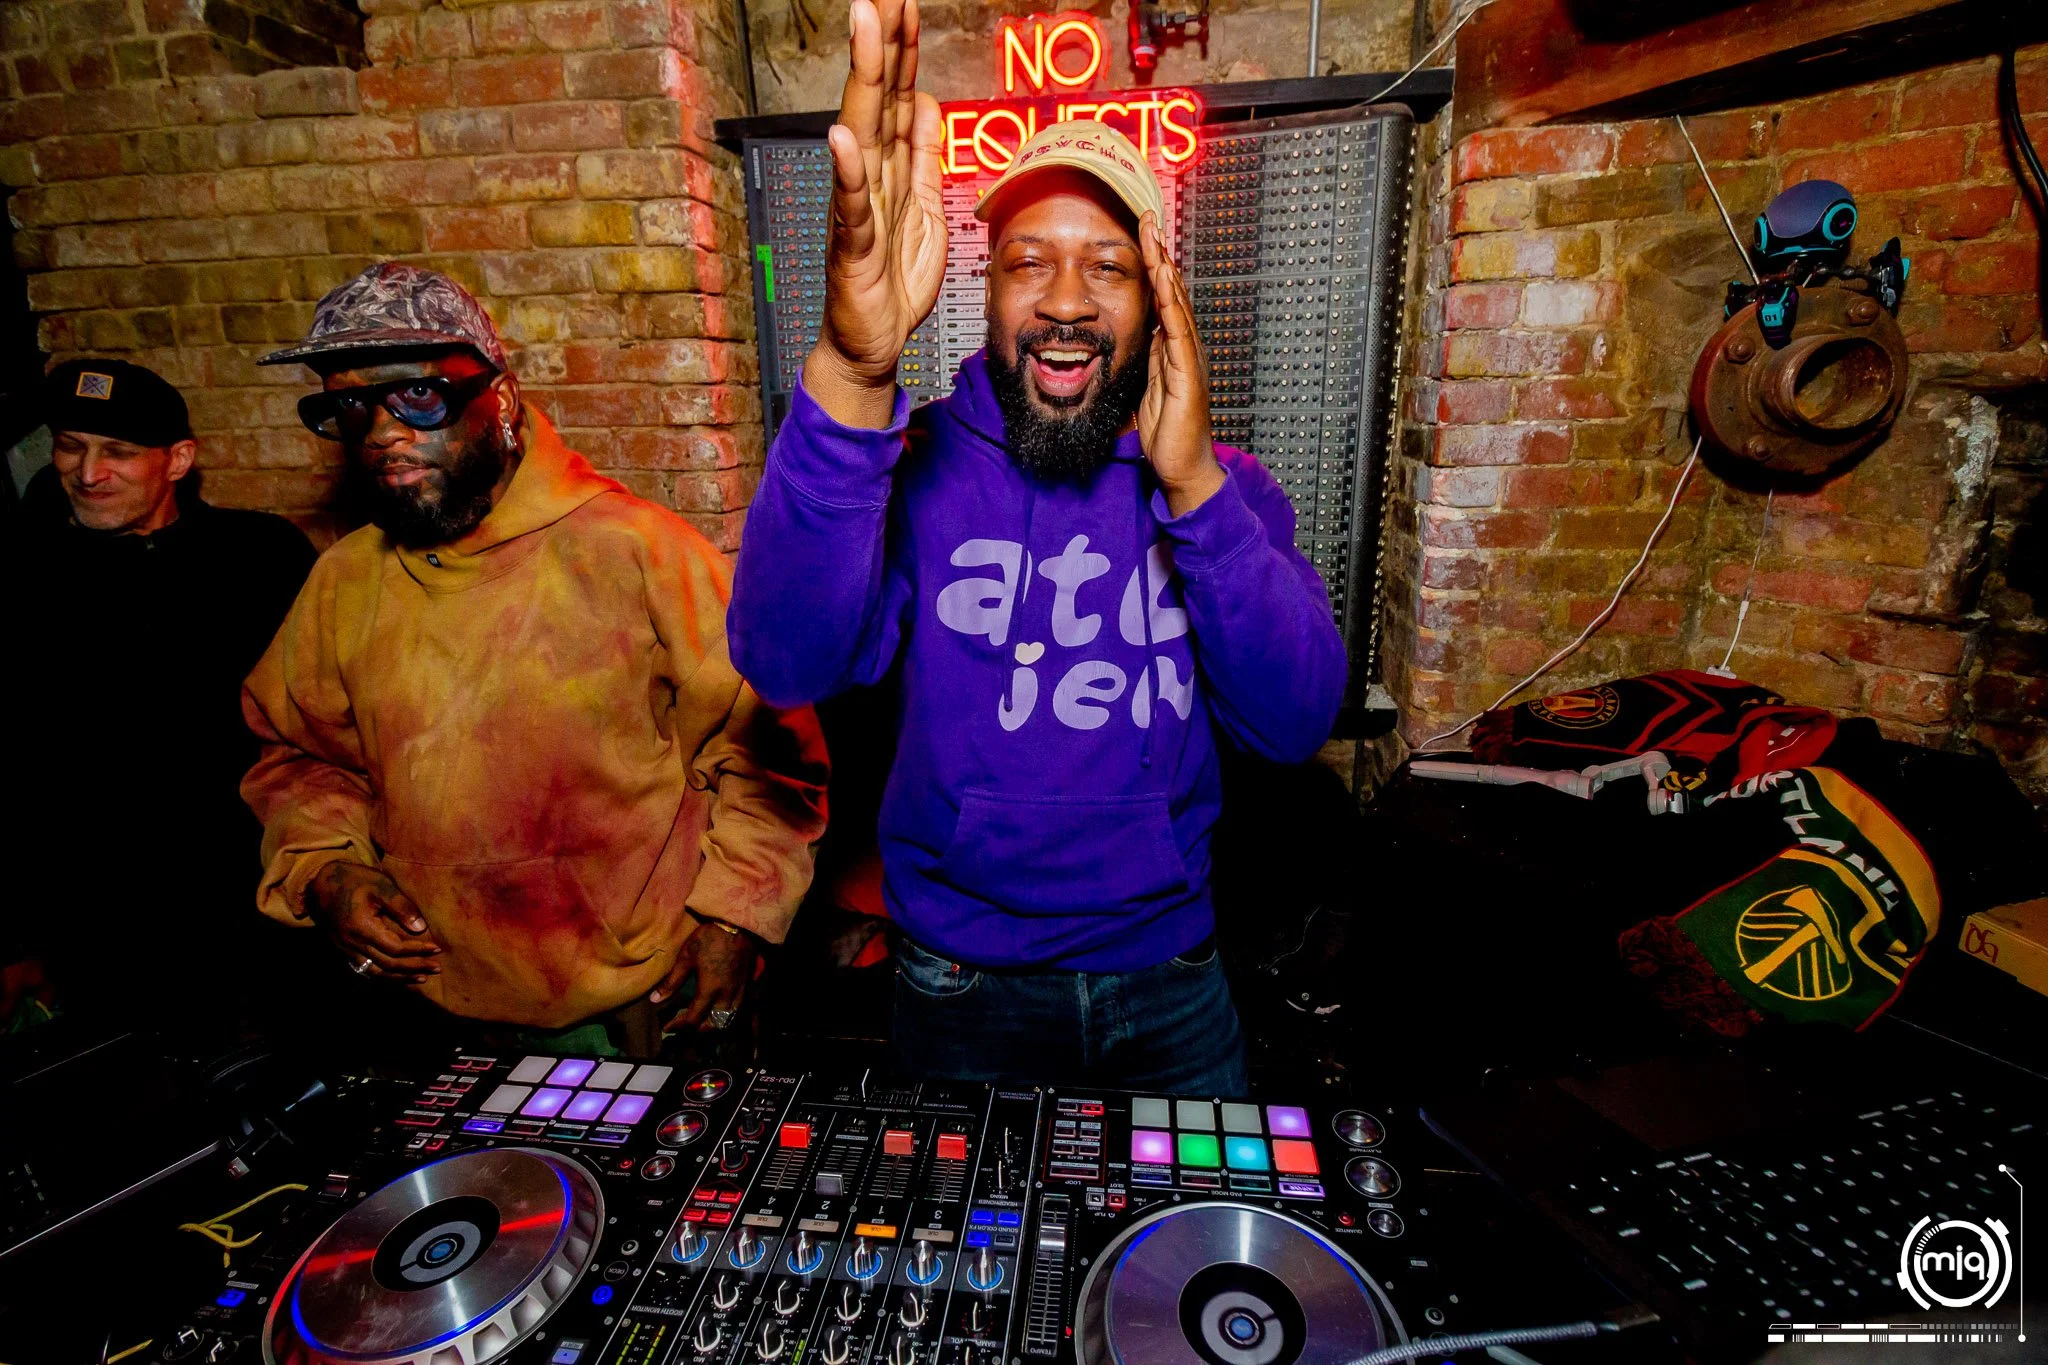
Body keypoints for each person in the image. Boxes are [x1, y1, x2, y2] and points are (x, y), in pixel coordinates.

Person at [727, 0, 1346, 1093]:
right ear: (988, 286)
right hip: (959, 985)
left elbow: (1295, 722)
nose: (1065, 301)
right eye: (1029, 262)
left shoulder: (1229, 491)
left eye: (1106, 266)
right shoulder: (911, 466)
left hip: (1172, 978)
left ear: (1159, 300)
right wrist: (854, 374)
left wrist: (1193, 489)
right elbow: (783, 659)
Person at [241, 264, 829, 1057]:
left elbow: (771, 757)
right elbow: (300, 759)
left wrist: (735, 918)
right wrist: (325, 870)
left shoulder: (639, 552)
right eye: (348, 407)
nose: (381, 432)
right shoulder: (343, 583)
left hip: (644, 1008)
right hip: (433, 1011)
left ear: (504, 400)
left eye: (418, 396)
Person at [2, 359, 317, 1033]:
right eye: (71, 446)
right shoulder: (25, 576)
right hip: (97, 931)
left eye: (117, 451)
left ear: (177, 461)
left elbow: (324, 729)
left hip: (254, 913)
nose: (88, 473)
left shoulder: (260, 557)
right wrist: (18, 939)